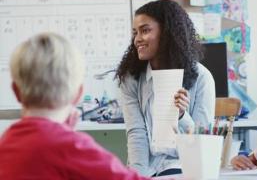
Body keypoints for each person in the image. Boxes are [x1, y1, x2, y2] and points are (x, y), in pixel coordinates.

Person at [0, 32, 149, 179]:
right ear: (78, 94)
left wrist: (63, 129)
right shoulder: (70, 146)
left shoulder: (6, 143)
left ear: (15, 91)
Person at [116, 0, 215, 177]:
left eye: (145, 30)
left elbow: (202, 144)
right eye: (135, 32)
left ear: (167, 33)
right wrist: (138, 175)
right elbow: (136, 134)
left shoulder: (202, 78)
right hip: (148, 167)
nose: (137, 39)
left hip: (183, 165)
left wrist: (182, 116)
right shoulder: (131, 79)